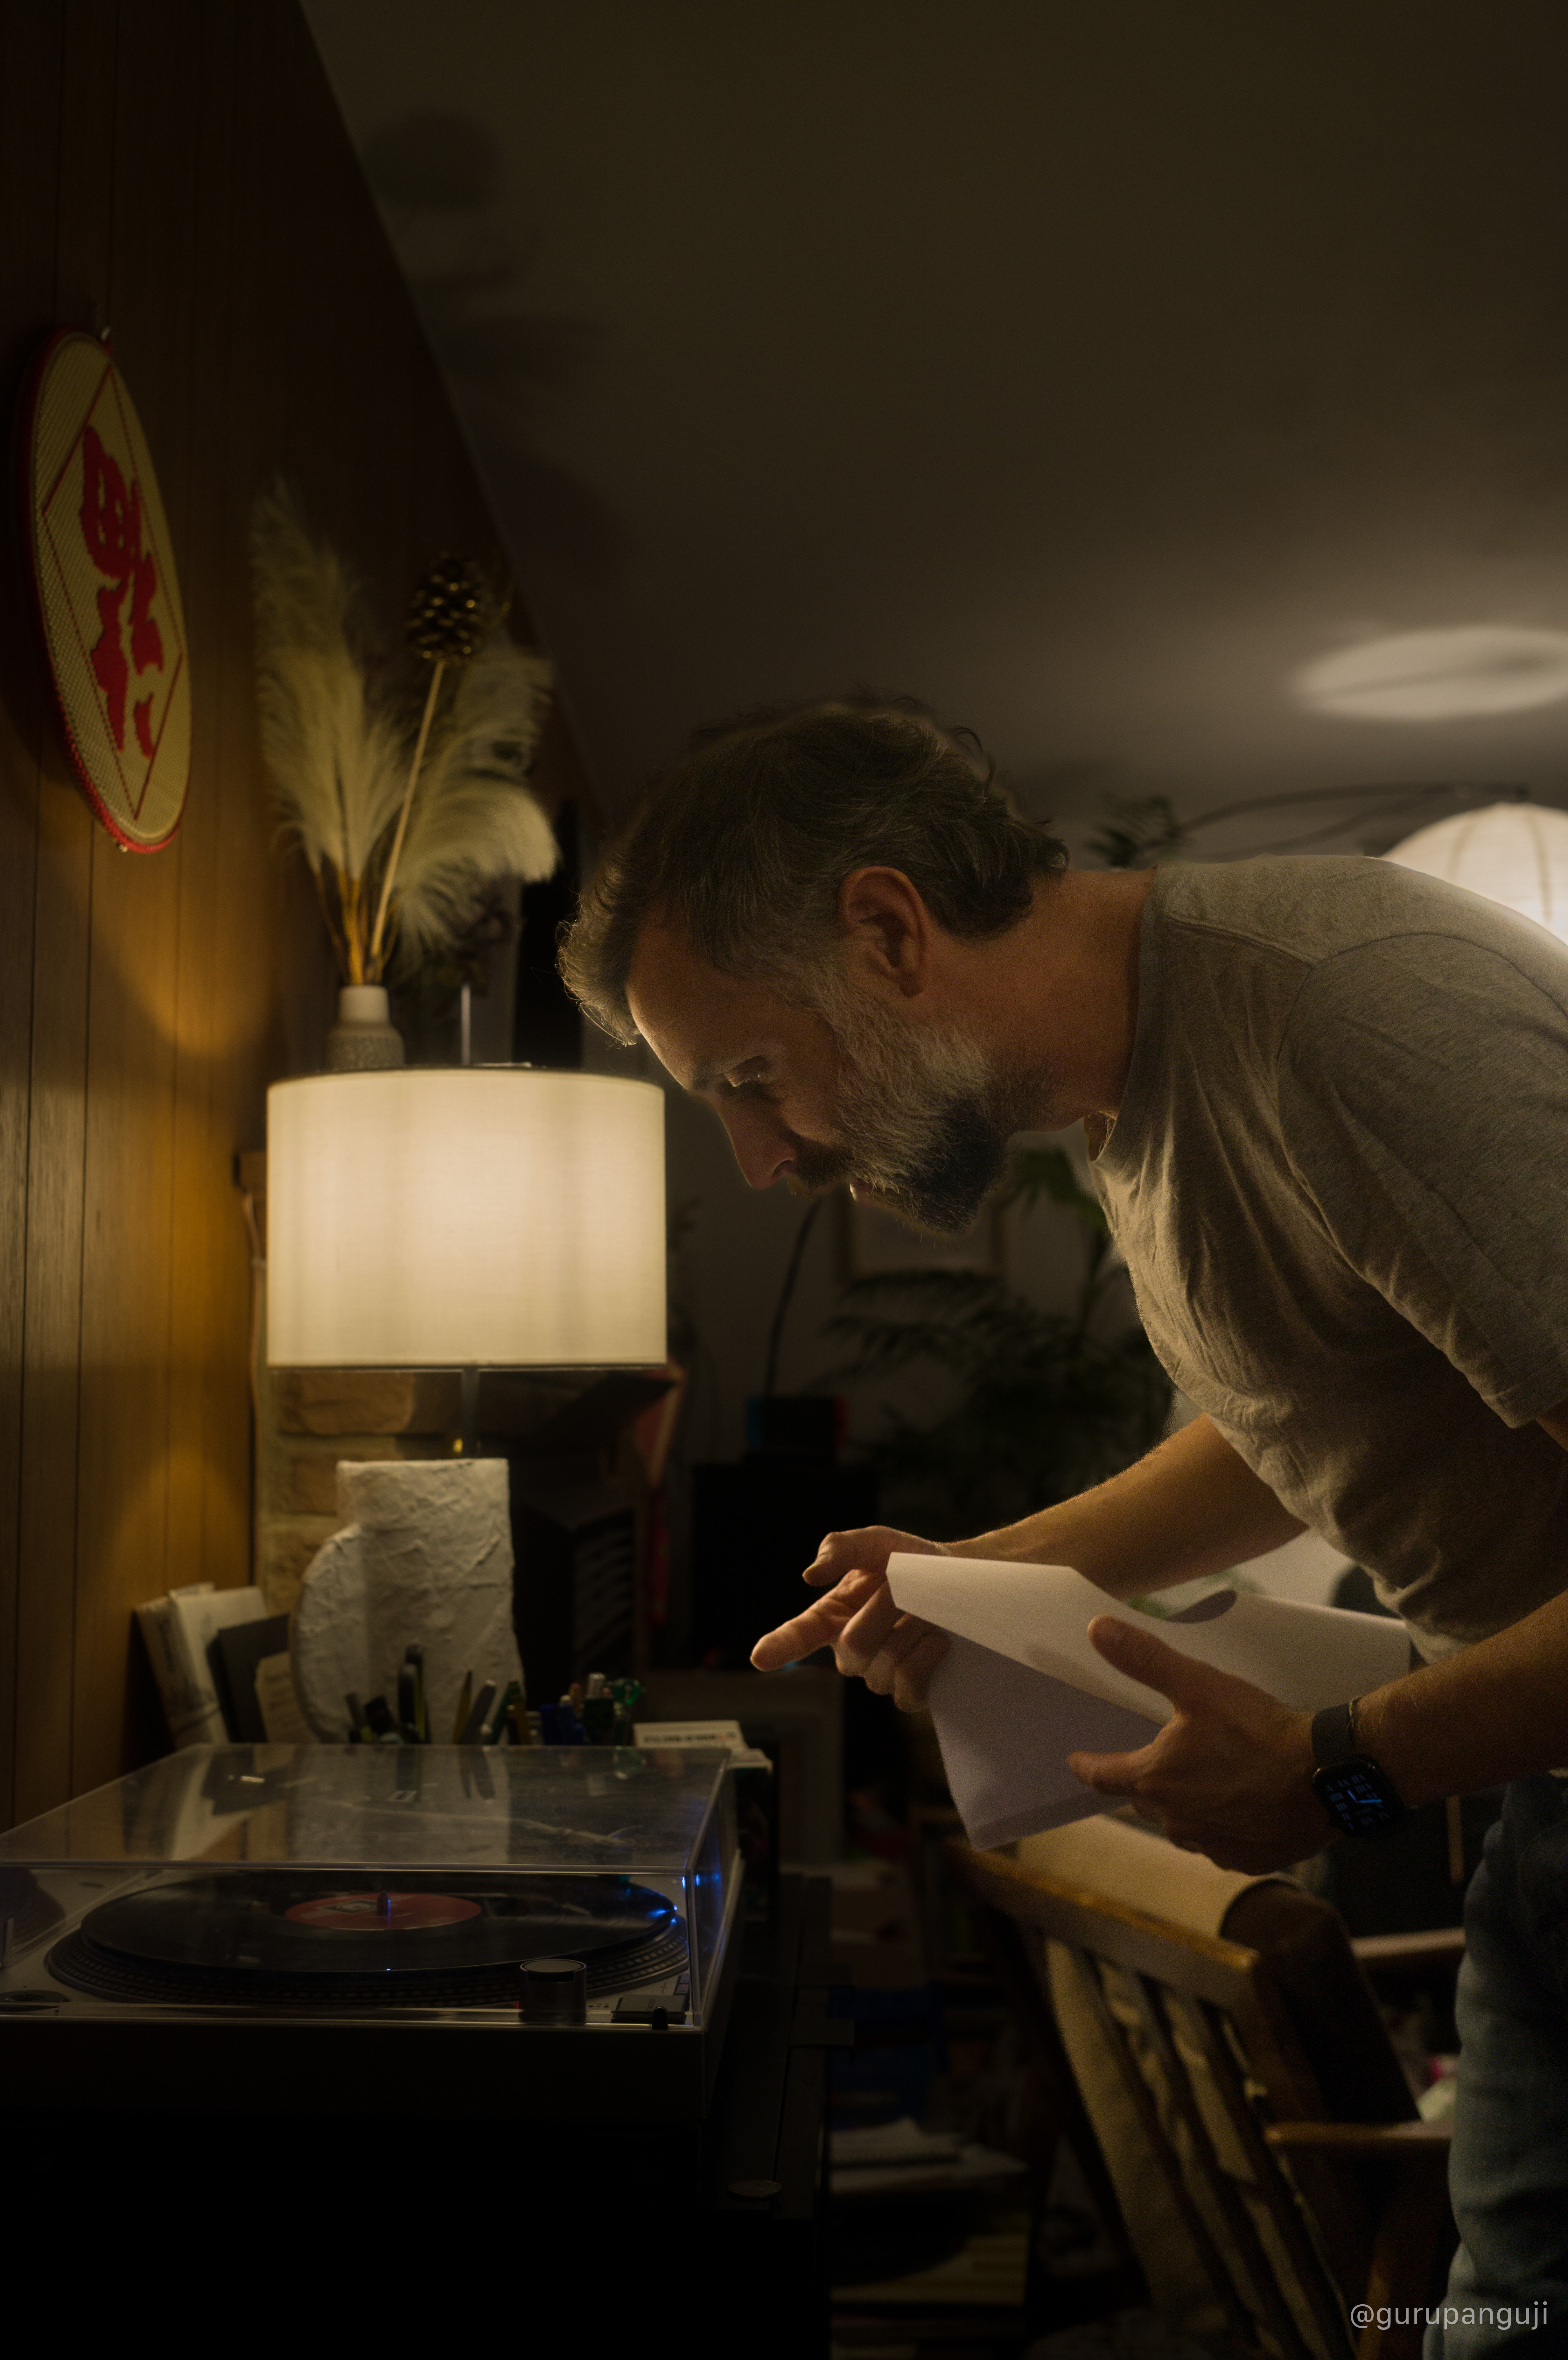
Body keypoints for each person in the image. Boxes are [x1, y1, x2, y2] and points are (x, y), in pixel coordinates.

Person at [559, 699, 1568, 2356]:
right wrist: (983, 1576)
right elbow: (1307, 1403)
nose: (754, 1156)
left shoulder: (1342, 1020)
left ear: (889, 930)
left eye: (753, 1075)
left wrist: (1346, 1766)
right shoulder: (1130, 1081)